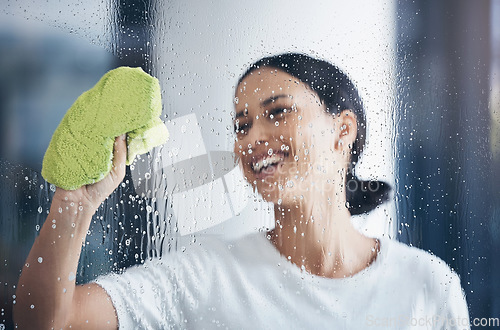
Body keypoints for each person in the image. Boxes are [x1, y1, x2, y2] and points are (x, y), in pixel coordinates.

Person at [13, 53, 470, 329]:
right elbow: (49, 322)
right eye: (242, 125)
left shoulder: (429, 285)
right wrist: (74, 206)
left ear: (342, 129)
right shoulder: (204, 277)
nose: (251, 140)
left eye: (277, 112)